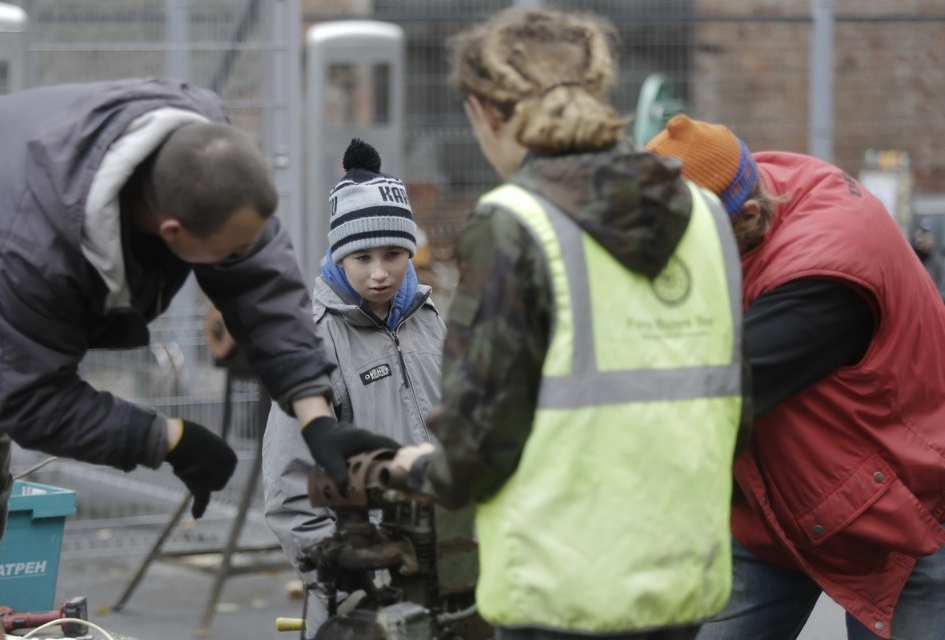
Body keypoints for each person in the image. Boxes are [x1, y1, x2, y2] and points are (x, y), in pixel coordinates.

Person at [305, 9, 749, 640]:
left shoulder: (513, 223)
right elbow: (738, 416)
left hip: (562, 588)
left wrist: (407, 466)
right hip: (684, 578)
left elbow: (479, 446)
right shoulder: (706, 217)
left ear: (486, 112)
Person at [0, 78, 391, 617]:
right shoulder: (31, 253)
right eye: (231, 249)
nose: (246, 254)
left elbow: (259, 278)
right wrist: (168, 439)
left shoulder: (205, 148)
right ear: (172, 232)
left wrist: (316, 415)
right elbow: (35, 400)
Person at [645, 115, 945, 640]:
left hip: (901, 519)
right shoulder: (758, 186)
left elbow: (703, 393)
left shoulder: (822, 277)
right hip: (775, 511)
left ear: (750, 217)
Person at [261, 138, 446, 636]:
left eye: (393, 253)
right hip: (364, 586)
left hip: (443, 566)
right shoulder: (315, 339)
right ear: (339, 257)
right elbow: (288, 483)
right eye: (362, 257)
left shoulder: (430, 321)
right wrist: (345, 572)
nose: (380, 272)